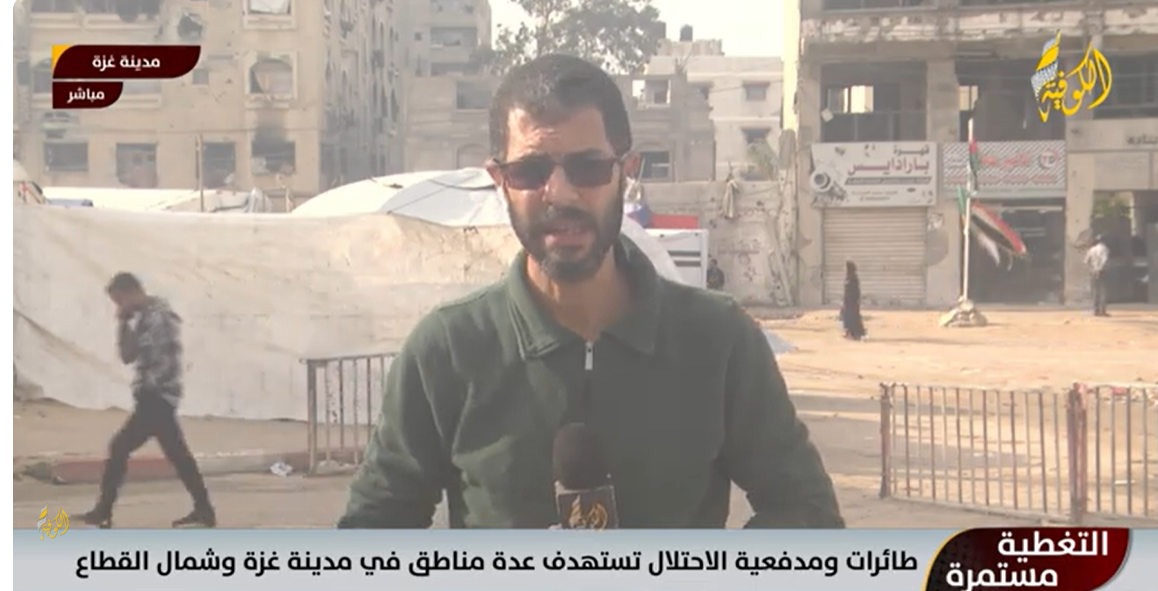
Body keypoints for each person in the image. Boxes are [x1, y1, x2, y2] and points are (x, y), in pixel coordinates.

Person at [338, 54, 843, 529]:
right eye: (531, 171)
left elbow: (807, 513)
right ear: (500, 180)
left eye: (588, 168)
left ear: (627, 171)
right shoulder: (448, 349)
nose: (560, 193)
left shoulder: (719, 340)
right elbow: (373, 529)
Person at [80, 273, 216, 528]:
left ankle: (103, 511)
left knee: (120, 447)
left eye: (120, 300)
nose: (120, 306)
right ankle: (204, 510)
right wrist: (124, 323)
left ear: (131, 292)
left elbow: (133, 355)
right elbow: (128, 356)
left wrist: (125, 324)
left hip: (156, 396)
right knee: (177, 454)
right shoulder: (146, 316)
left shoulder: (157, 317)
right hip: (156, 397)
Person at [840, 261, 867, 341]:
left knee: (853, 317)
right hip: (847, 302)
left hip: (853, 302)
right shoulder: (848, 277)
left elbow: (856, 291)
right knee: (846, 317)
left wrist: (857, 300)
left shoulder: (854, 278)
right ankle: (849, 332)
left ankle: (856, 333)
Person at [1085, 234, 1110, 317]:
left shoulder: (1092, 249)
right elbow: (1105, 260)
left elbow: (1086, 261)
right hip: (1102, 271)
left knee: (1095, 291)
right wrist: (1100, 268)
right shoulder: (1105, 249)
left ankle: (1096, 310)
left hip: (1093, 271)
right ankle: (1102, 311)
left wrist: (1092, 269)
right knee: (1103, 291)